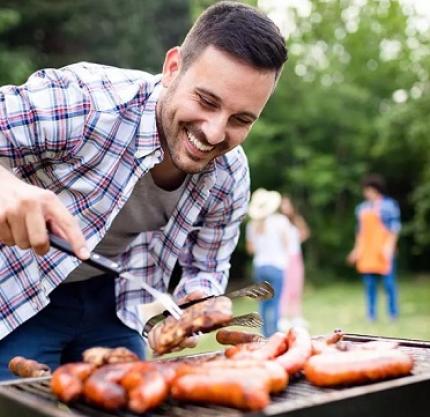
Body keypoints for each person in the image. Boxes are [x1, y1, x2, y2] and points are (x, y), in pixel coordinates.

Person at [0, 1, 287, 379]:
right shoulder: (87, 101)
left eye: (241, 119)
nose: (215, 133)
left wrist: (197, 301)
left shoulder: (230, 177)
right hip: (20, 289)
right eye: (206, 101)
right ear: (172, 68)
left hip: (116, 303)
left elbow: (207, 266)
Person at [347, 174, 401, 321]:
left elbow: (394, 228)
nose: (365, 193)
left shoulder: (389, 205)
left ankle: (393, 313)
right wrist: (356, 250)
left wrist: (389, 247)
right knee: (369, 285)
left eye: (367, 190)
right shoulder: (361, 208)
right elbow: (360, 232)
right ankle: (371, 315)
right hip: (367, 252)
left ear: (374, 189)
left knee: (389, 285)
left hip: (383, 251)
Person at [246, 189, 291, 337]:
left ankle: (264, 333)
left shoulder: (251, 225)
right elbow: (286, 243)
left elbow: (250, 249)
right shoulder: (280, 221)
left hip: (260, 266)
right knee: (276, 301)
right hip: (276, 265)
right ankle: (275, 333)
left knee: (263, 302)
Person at [278, 195, 310, 329]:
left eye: (287, 204)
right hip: (283, 258)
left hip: (296, 256)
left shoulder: (297, 219)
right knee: (285, 287)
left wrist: (296, 240)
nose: (286, 207)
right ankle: (283, 318)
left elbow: (305, 233)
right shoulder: (278, 221)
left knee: (296, 286)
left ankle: (296, 317)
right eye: (283, 205)